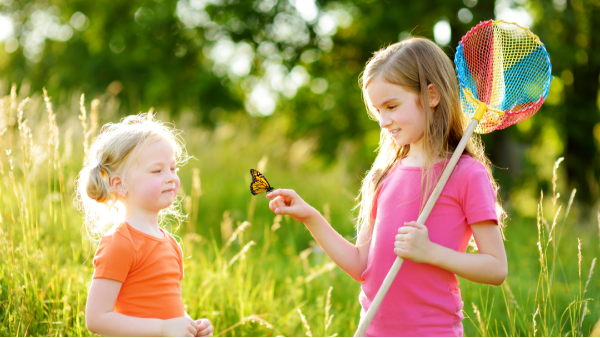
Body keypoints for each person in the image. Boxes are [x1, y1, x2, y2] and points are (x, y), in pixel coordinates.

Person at [266, 37, 508, 336]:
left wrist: (430, 251)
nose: (383, 121)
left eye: (392, 106)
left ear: (431, 96)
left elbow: (496, 268)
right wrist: (310, 217)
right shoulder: (382, 175)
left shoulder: (466, 174)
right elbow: (360, 266)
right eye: (377, 110)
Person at [77, 114, 213, 337]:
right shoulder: (120, 242)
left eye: (173, 168)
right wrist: (164, 329)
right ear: (119, 185)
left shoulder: (170, 243)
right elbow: (96, 319)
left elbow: (165, 307)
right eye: (157, 171)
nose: (170, 177)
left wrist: (190, 324)